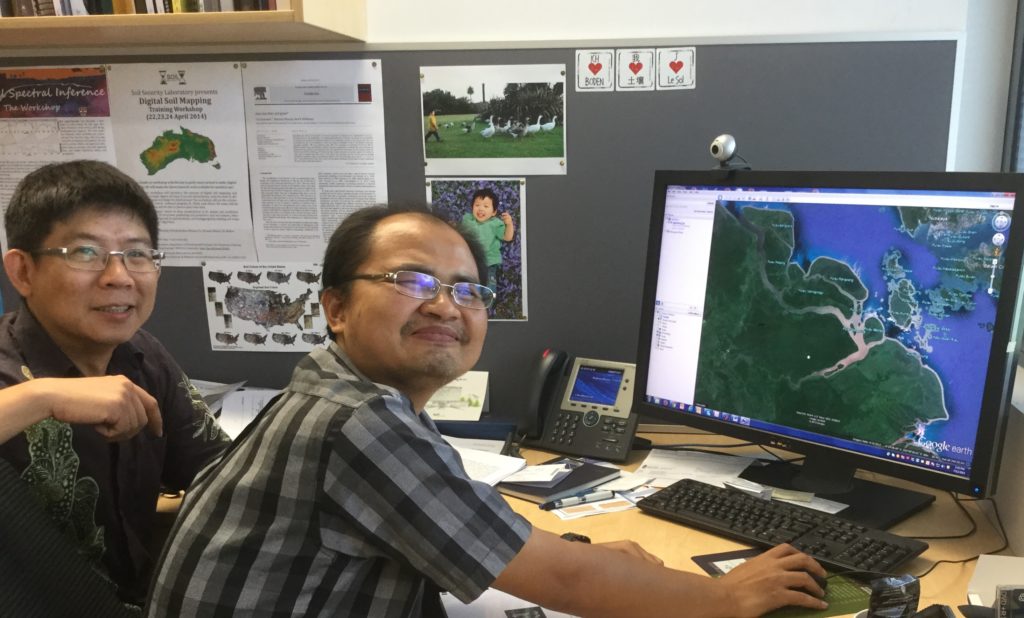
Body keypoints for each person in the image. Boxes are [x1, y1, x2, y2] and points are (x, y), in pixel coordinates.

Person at [146, 202, 828, 617]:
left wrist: (571, 554)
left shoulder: (333, 394)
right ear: (336, 308)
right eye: (411, 281)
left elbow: (500, 544)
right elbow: (560, 579)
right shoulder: (356, 423)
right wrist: (726, 599)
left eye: (467, 291)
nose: (446, 305)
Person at [0, 160, 231, 605]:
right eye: (85, 253)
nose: (119, 276)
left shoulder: (142, 355)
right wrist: (43, 396)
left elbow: (219, 474)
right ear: (23, 271)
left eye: (138, 255)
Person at [460, 187, 514, 292]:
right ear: (472, 208)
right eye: (477, 205)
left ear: (494, 212)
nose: (480, 209)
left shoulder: (495, 224)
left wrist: (509, 224)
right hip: (471, 261)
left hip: (489, 263)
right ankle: (472, 300)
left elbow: (507, 237)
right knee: (470, 284)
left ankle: (487, 304)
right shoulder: (468, 220)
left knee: (488, 288)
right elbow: (461, 234)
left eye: (486, 206)